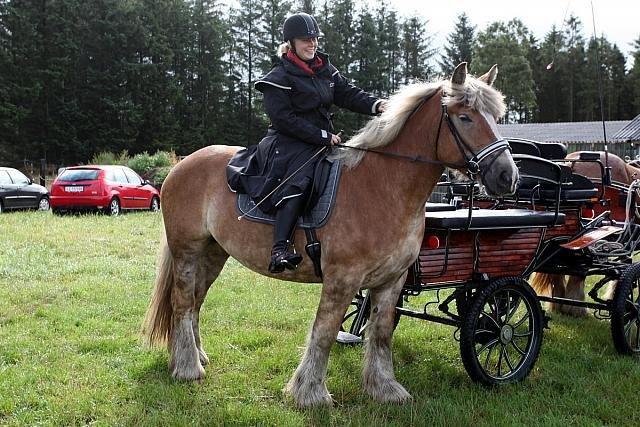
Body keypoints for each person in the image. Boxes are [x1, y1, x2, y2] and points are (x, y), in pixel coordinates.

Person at [227, 12, 387, 273]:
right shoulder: (277, 78)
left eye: (314, 39)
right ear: (291, 42)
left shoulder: (324, 68)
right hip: (287, 143)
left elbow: (346, 93)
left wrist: (376, 104)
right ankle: (279, 248)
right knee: (299, 182)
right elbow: (284, 120)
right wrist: (323, 136)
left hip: (320, 142)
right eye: (305, 40)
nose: (312, 44)